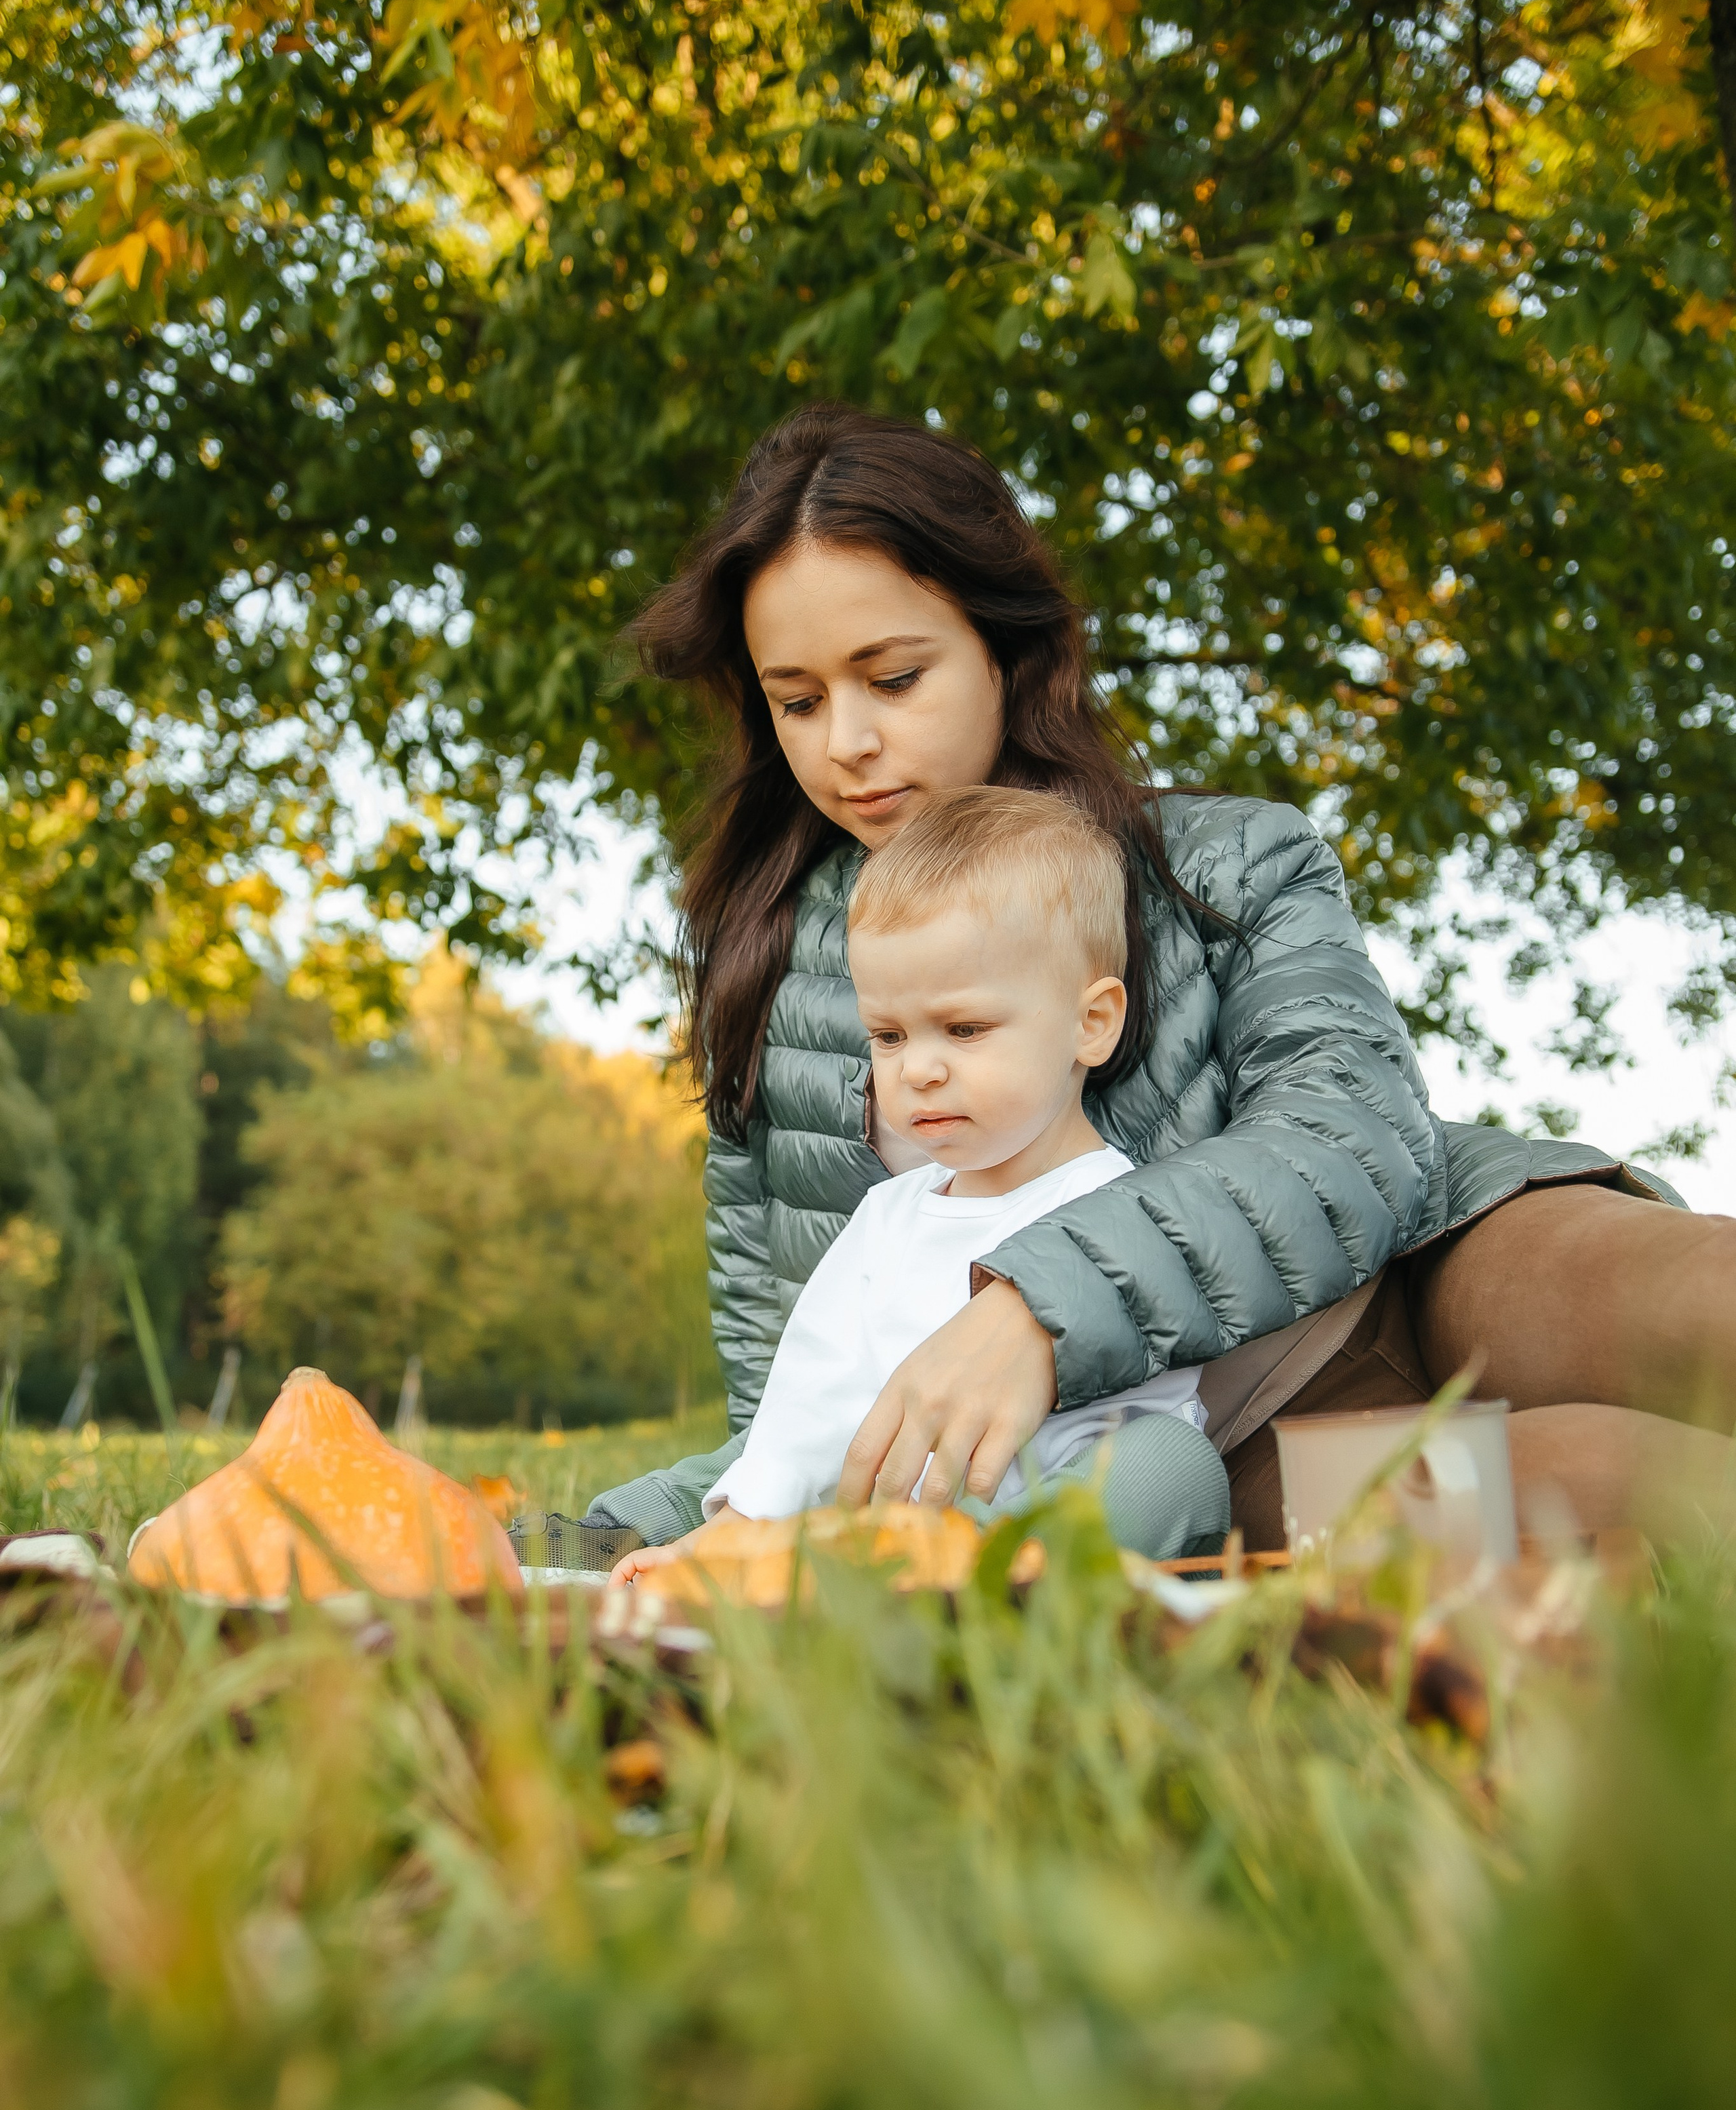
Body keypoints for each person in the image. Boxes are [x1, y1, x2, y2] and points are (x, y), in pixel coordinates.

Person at [588, 402, 1735, 1558]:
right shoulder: (771, 987)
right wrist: (571, 1536)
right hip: (1229, 1450)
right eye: (799, 699)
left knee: (1703, 1314)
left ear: (1003, 647)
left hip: (1434, 1262)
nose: (848, 741)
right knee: (1618, 1487)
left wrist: (1043, 1305)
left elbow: (1351, 1137)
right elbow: (797, 1410)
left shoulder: (1236, 859)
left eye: (893, 678)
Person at [612, 789, 1230, 1582]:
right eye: (889, 1035)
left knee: (1171, 1462)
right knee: (795, 1454)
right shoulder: (888, 1216)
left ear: (1093, 1023)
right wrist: (742, 1522)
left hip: (1047, 1507)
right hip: (894, 1510)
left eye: (965, 1029)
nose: (919, 1068)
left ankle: (976, 1573)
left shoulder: (1127, 1204)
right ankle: (670, 1546)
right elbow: (815, 1390)